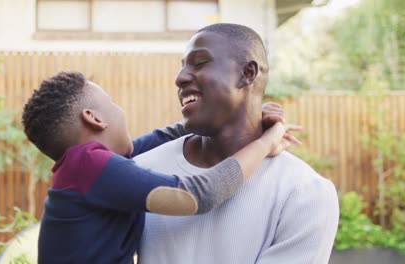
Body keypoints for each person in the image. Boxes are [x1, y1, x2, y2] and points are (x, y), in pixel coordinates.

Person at [21, 71, 300, 263]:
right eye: (113, 103)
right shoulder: (87, 164)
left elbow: (162, 138)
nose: (120, 110)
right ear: (94, 118)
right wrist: (266, 141)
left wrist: (245, 118)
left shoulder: (90, 169)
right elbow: (195, 196)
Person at [134, 23, 339, 264]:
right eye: (182, 67)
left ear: (248, 73)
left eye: (199, 63)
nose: (180, 79)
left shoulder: (304, 193)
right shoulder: (140, 172)